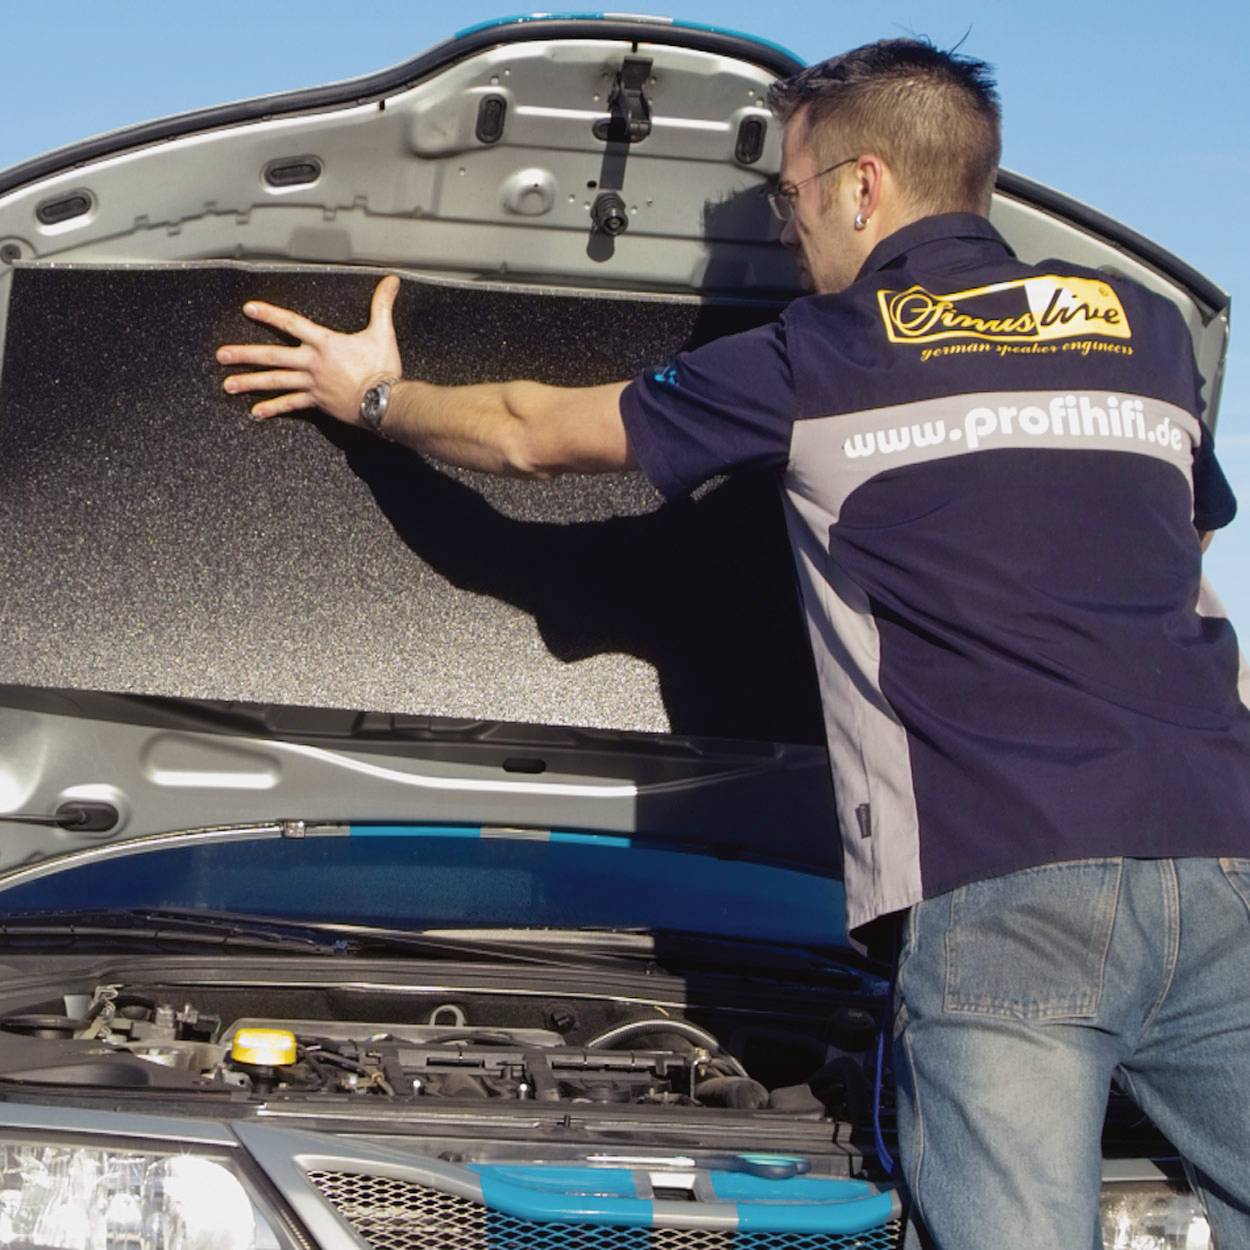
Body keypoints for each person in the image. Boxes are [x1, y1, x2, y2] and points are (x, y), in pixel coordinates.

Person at [215, 39, 1250, 1248]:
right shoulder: (1140, 327)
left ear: (861, 187)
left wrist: (374, 400)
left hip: (1007, 884)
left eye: (790, 191)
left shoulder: (834, 352)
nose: (790, 222)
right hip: (1222, 860)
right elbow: (1175, 566)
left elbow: (530, 432)